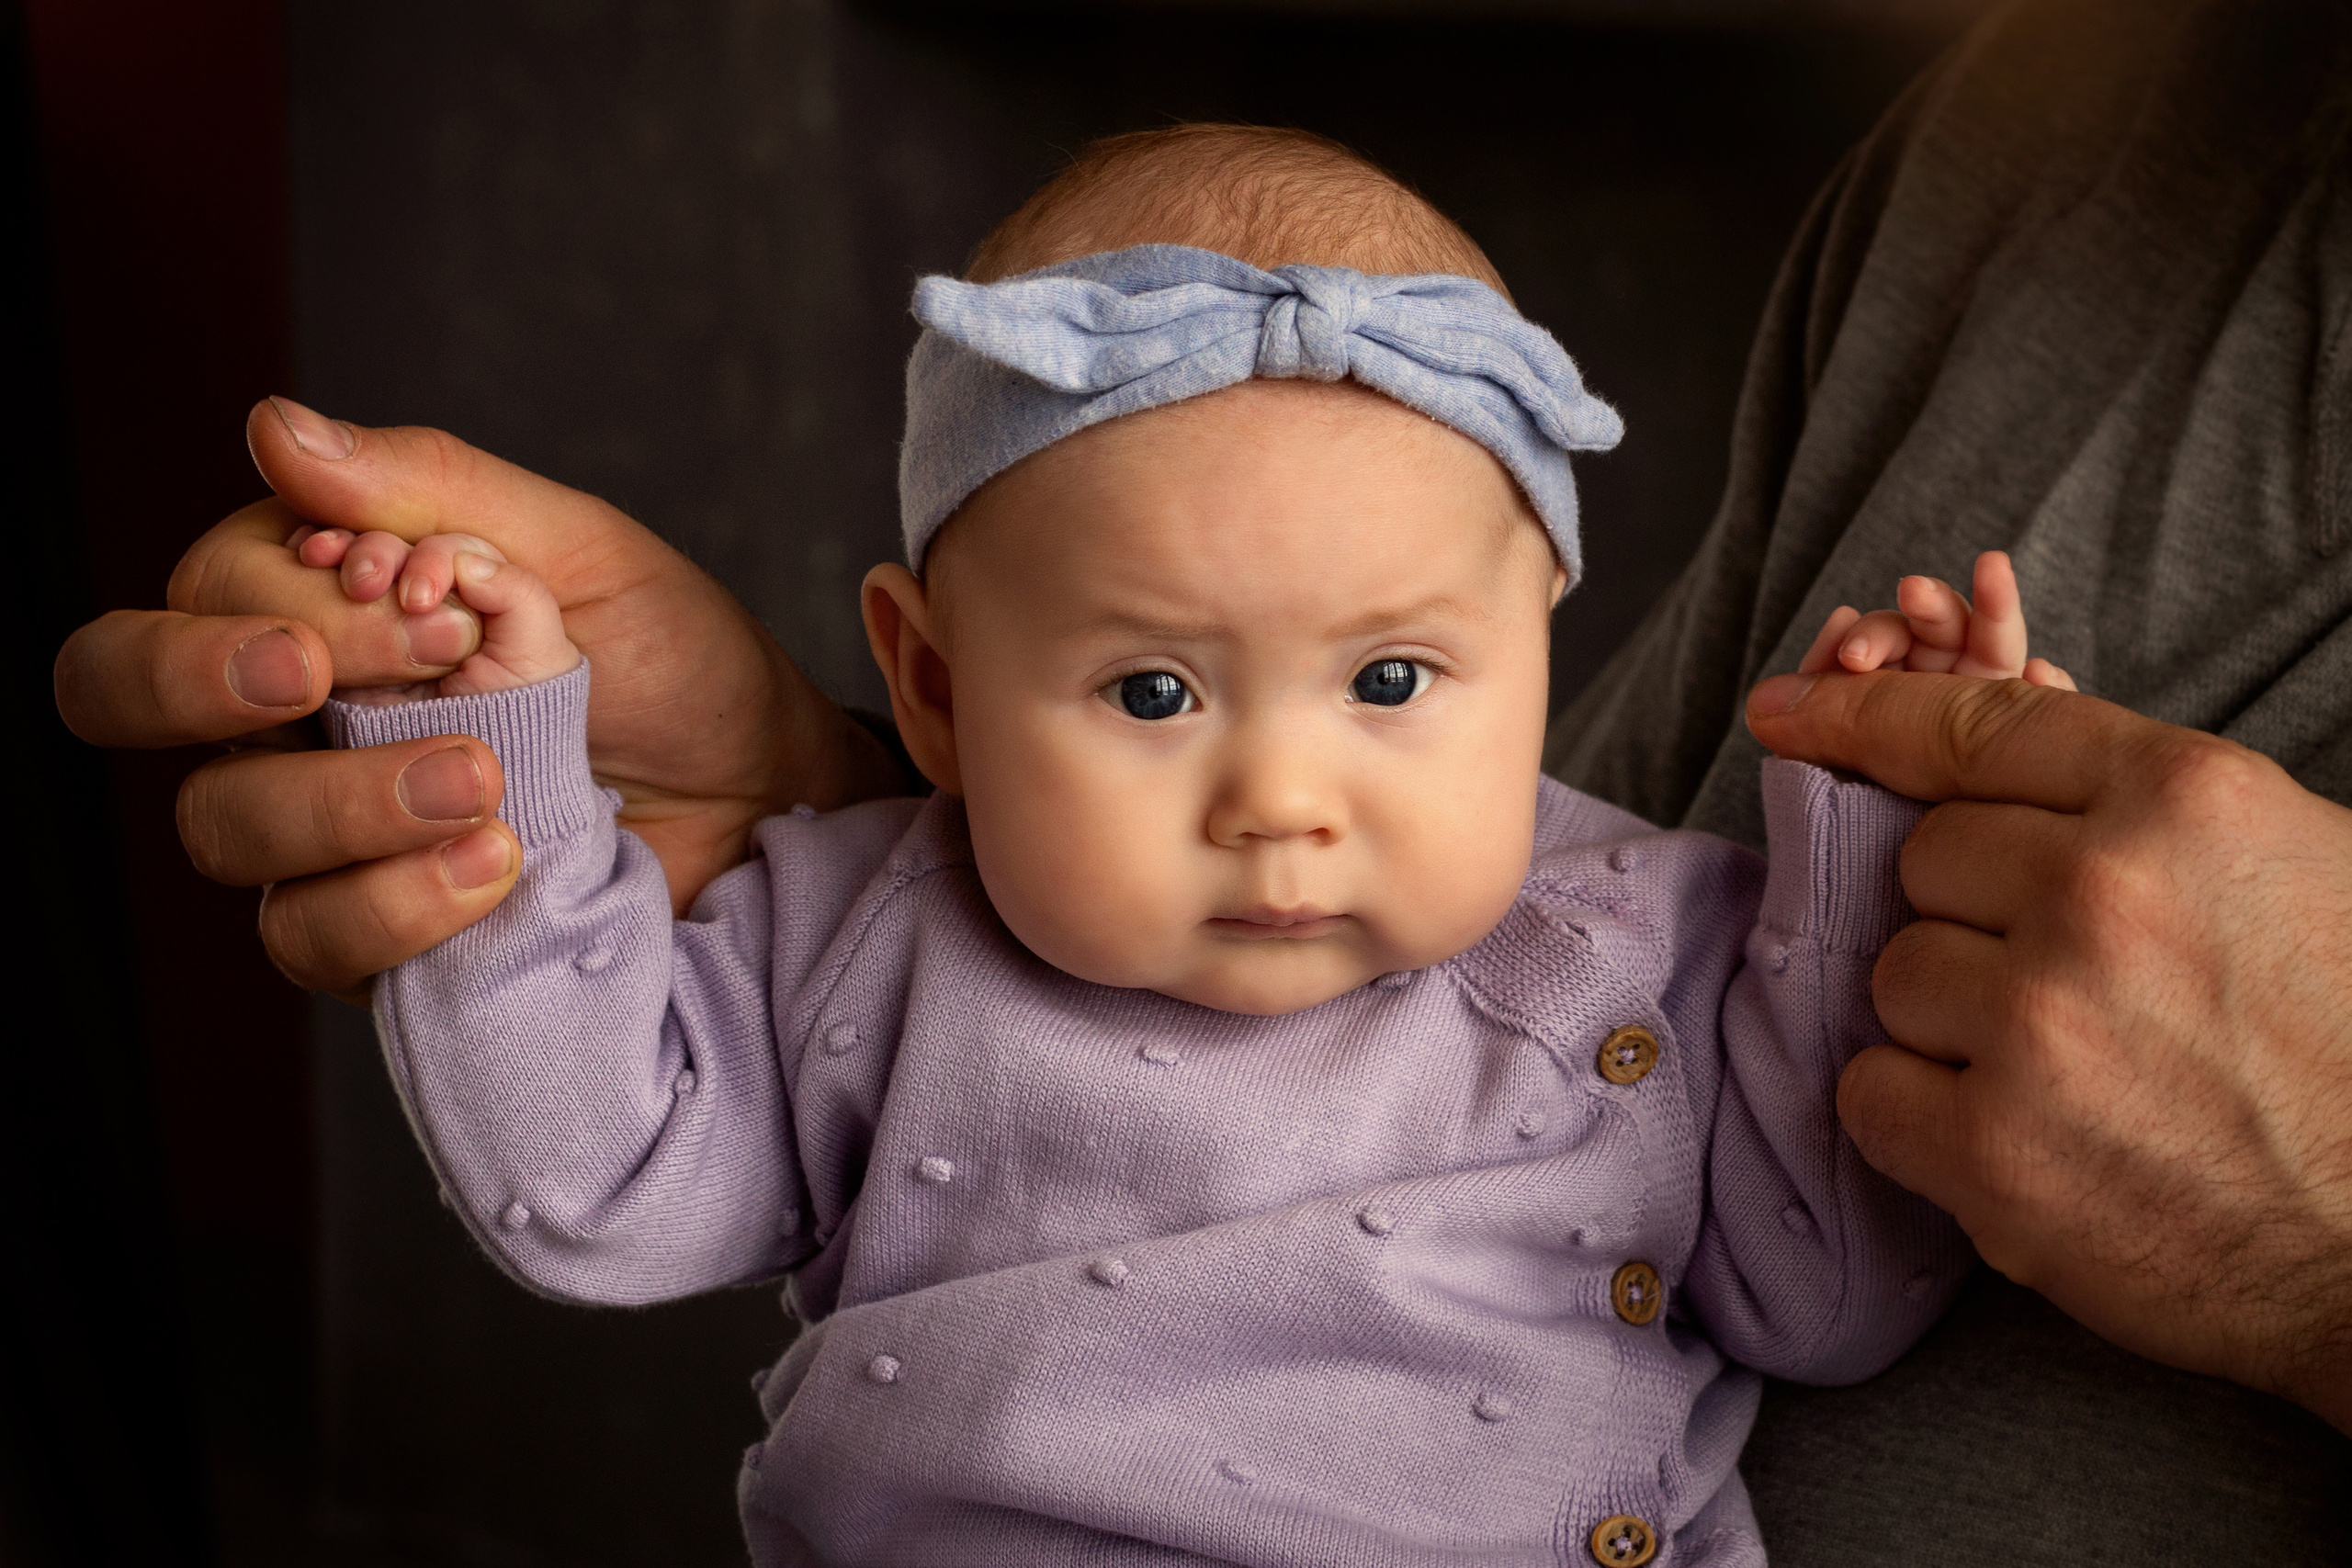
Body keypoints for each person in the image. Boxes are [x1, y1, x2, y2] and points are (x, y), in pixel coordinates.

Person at [49, 0, 2352, 1560]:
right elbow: (596, 1184)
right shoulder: (859, 921)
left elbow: (1824, 1291)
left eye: (1392, 679)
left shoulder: (1647, 946)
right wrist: (504, 777)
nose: (1279, 797)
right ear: (930, 685)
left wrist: (1868, 849)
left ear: (1540, 653)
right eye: (1150, 692)